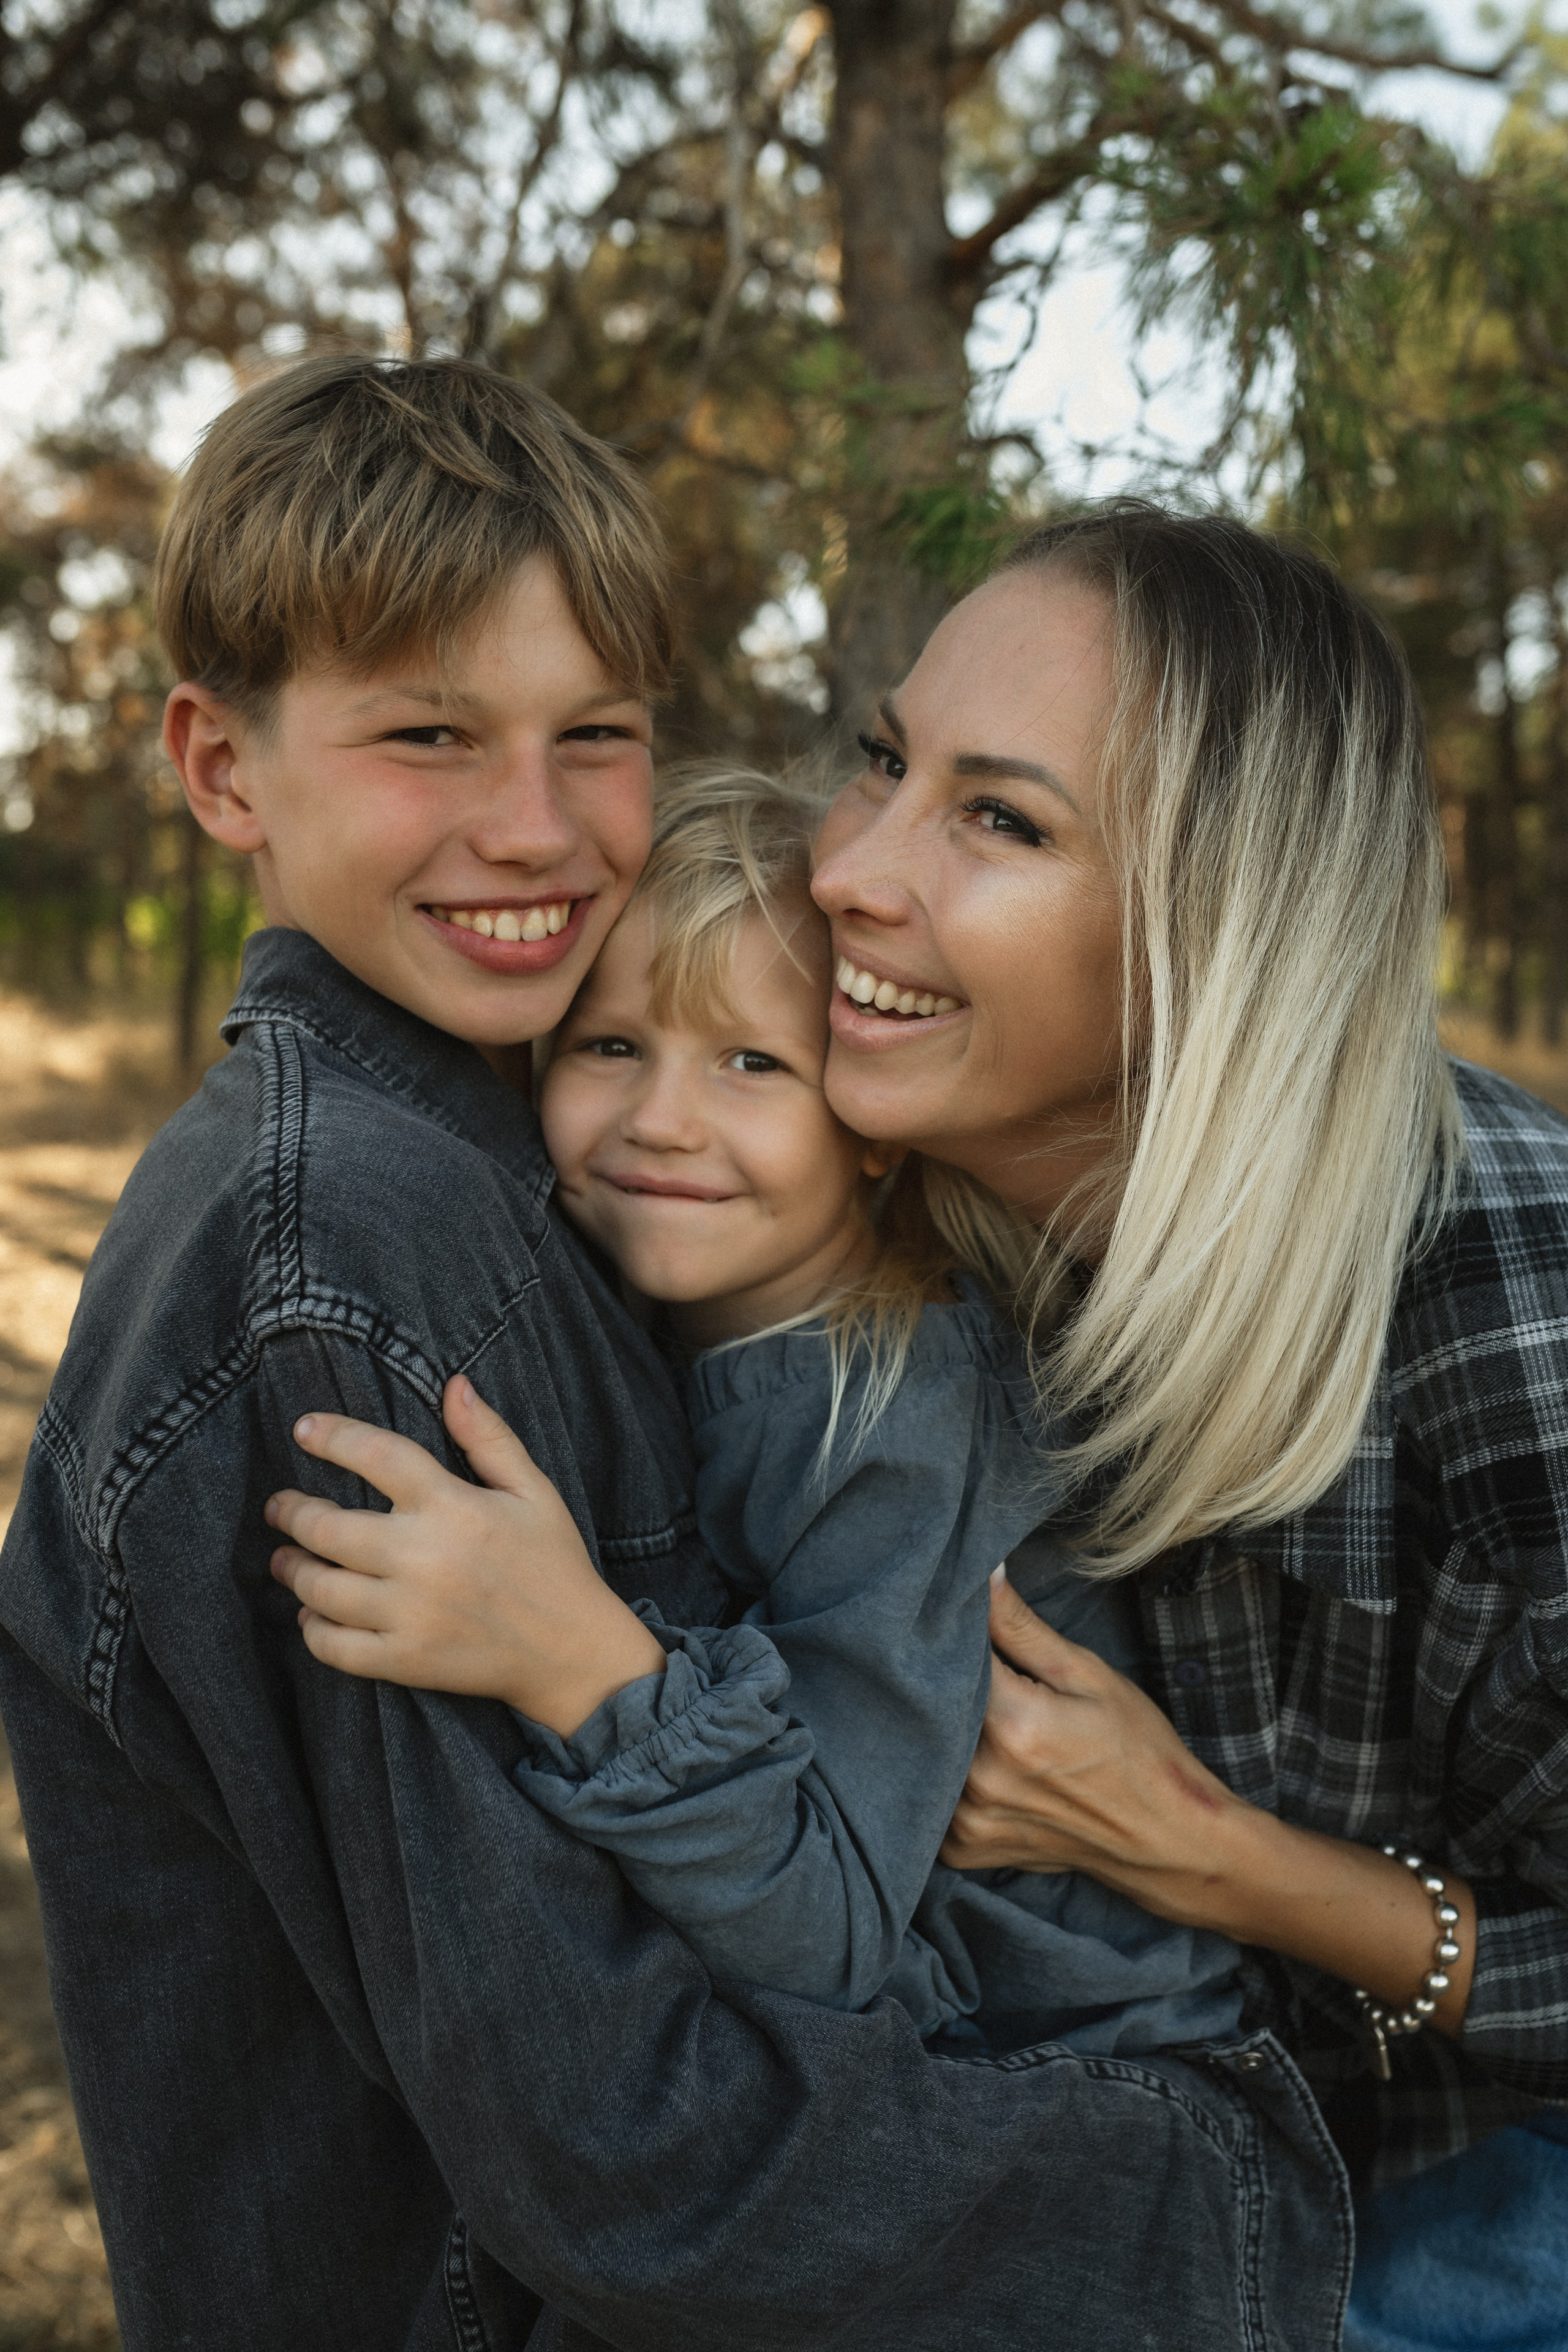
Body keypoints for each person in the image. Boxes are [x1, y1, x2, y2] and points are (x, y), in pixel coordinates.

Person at [0, 369, 1348, 2351]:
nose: (531, 825)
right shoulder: (342, 1258)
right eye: (428, 733)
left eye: (599, 736)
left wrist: (589, 1658)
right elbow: (628, 2140)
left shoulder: (651, 1257)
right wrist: (1207, 2203)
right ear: (220, 768)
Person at [809, 509, 1568, 2335]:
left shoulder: (1506, 1302)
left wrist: (1213, 1854)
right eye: (884, 764)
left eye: (1001, 818)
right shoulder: (893, 1216)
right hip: (1201, 2194)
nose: (850, 870)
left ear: (1216, 934)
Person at [266, 761, 1246, 2062]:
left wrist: (574, 1659)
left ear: (871, 1123)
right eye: (610, 1046)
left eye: (751, 1061)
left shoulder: (890, 1420)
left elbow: (825, 1929)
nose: (662, 1122)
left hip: (1079, 2085)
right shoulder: (652, 1322)